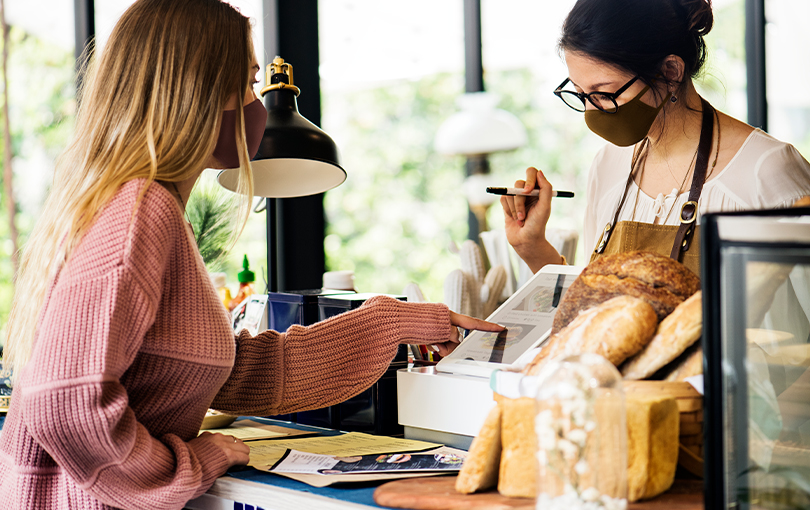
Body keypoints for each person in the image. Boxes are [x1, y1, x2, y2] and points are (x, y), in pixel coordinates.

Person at [0, 1, 502, 509]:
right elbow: (64, 401)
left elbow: (226, 371)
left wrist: (390, 323)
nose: (256, 104)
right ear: (197, 91)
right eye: (247, 83)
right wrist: (184, 465)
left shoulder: (137, 204)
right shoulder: (139, 211)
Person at [502, 0, 810, 275]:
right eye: (581, 94)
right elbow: (593, 313)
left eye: (604, 94)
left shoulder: (765, 170)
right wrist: (533, 248)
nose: (590, 111)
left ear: (671, 71)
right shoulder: (608, 166)